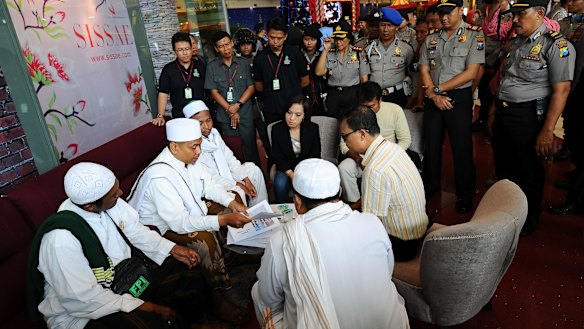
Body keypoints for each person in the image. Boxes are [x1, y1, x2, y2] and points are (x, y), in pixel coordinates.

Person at [26, 162, 209, 329]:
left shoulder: (108, 203)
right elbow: (82, 299)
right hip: (84, 312)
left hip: (126, 276)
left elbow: (135, 231)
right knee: (147, 323)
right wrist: (145, 306)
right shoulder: (60, 240)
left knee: (185, 269)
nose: (120, 194)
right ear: (90, 206)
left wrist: (171, 248)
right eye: (114, 194)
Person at [251, 159, 410, 329]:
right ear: (340, 191)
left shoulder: (281, 240)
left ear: (297, 201)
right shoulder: (373, 222)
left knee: (257, 291)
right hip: (391, 324)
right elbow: (387, 270)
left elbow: (269, 298)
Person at [127, 118, 252, 326]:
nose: (199, 152)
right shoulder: (160, 177)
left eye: (200, 145)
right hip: (160, 229)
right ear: (174, 147)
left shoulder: (190, 160)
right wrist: (222, 220)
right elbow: (179, 223)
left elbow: (209, 185)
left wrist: (232, 202)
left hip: (182, 216)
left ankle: (228, 255)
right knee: (203, 240)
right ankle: (216, 297)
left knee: (225, 205)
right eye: (194, 147)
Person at [493, 0, 575, 235]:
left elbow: (562, 90)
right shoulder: (516, 42)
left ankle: (528, 219)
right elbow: (505, 78)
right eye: (513, 15)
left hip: (528, 115)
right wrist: (492, 112)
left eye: (521, 14)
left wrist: (547, 130)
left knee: (528, 169)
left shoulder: (556, 45)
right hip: (504, 110)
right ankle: (506, 211)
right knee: (505, 166)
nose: (515, 20)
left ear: (540, 13)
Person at [419, 0, 485, 214]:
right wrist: (432, 93)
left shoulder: (475, 36)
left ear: (460, 11)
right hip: (432, 96)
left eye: (449, 13)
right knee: (431, 145)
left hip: (458, 97)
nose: (444, 17)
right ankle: (430, 187)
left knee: (461, 147)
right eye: (441, 13)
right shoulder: (431, 38)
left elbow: (471, 72)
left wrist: (438, 89)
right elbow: (424, 68)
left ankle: (465, 194)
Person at [339, 106, 427, 261]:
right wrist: (349, 209)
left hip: (402, 244)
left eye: (345, 137)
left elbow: (370, 224)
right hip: (418, 230)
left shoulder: (375, 170)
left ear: (362, 134)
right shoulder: (392, 148)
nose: (345, 143)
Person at [338, 82, 411, 206]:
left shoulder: (395, 110)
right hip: (360, 157)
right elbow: (344, 144)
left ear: (380, 100)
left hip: (388, 156)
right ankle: (354, 203)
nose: (367, 110)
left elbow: (405, 140)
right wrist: (357, 159)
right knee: (344, 168)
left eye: (371, 106)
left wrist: (386, 156)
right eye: (363, 106)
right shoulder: (354, 115)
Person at [183, 100, 268, 207]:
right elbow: (210, 177)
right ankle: (244, 219)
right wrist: (238, 184)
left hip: (227, 175)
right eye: (200, 123)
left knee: (254, 170)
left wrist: (246, 180)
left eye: (208, 120)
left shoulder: (214, 134)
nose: (206, 126)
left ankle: (260, 213)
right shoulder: (191, 145)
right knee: (238, 191)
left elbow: (230, 159)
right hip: (213, 184)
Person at [204, 31, 259, 166]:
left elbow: (251, 88)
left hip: (245, 113)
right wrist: (230, 109)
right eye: (221, 46)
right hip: (225, 115)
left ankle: (256, 176)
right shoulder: (212, 66)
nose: (226, 48)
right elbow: (214, 92)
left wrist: (237, 105)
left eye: (227, 44)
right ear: (216, 49)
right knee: (232, 150)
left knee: (251, 148)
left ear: (232, 43)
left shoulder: (244, 63)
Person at [253, 17, 309, 124]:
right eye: (272, 37)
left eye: (279, 38)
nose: (275, 42)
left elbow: (305, 80)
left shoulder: (295, 53)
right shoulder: (260, 58)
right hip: (272, 108)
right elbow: (259, 86)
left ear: (285, 36)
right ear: (267, 35)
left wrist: (290, 90)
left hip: (294, 108)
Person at [271, 95, 321, 203]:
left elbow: (315, 155)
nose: (292, 118)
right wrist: (291, 174)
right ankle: (283, 210)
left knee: (309, 186)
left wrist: (301, 174)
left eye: (297, 115)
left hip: (306, 167)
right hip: (286, 167)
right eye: (289, 113)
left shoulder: (313, 129)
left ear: (304, 116)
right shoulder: (277, 129)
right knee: (280, 184)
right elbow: (277, 156)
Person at [316, 20, 370, 119]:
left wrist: (363, 100)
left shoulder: (358, 53)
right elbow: (319, 72)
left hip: (353, 94)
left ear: (349, 38)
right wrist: (325, 50)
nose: (338, 42)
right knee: (332, 124)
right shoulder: (329, 53)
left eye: (341, 38)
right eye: (336, 39)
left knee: (352, 124)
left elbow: (364, 80)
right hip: (334, 95)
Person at [366, 7, 415, 108]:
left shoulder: (406, 48)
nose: (386, 29)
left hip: (397, 95)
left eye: (390, 25)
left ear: (397, 27)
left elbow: (413, 74)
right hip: (374, 97)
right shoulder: (369, 48)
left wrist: (413, 97)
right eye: (382, 25)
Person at [153, 32, 206, 125]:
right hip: (180, 116)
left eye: (187, 49)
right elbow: (163, 93)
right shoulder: (168, 69)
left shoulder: (201, 65)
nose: (185, 53)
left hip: (201, 116)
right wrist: (160, 115)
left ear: (191, 48)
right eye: (180, 50)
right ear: (174, 51)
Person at [301, 23, 328, 116]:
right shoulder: (298, 56)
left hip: (321, 95)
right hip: (304, 95)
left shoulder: (322, 55)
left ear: (317, 41)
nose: (309, 43)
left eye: (313, 40)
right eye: (306, 39)